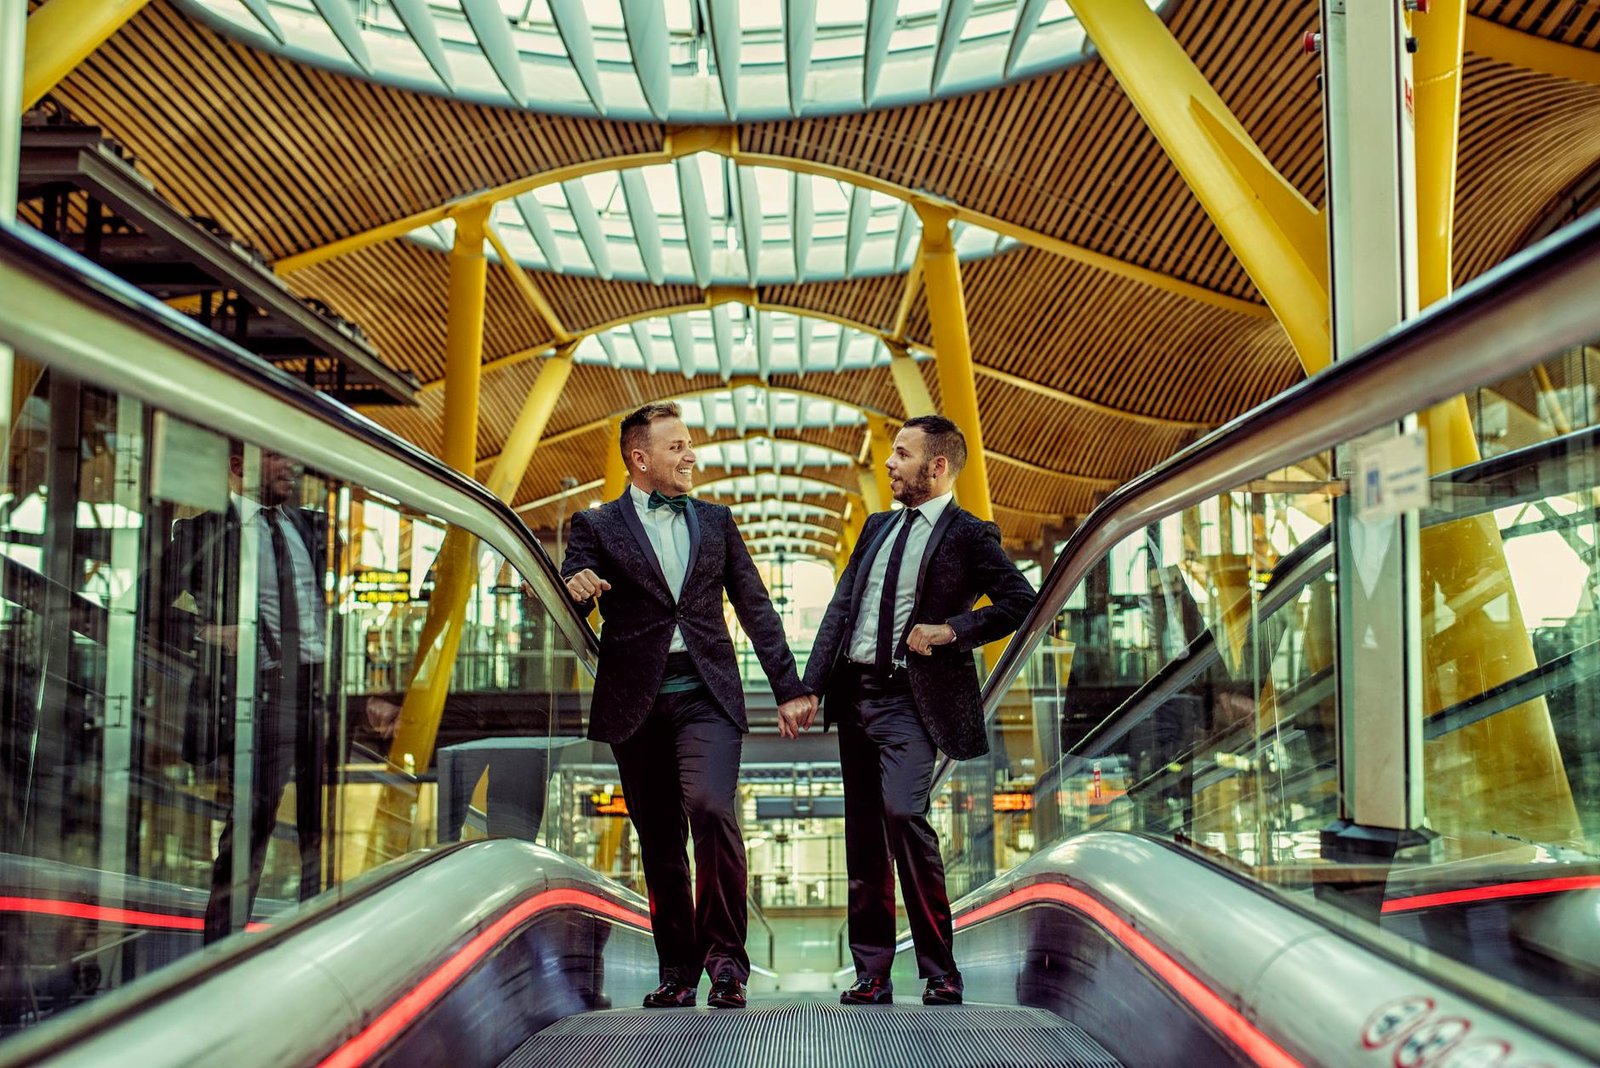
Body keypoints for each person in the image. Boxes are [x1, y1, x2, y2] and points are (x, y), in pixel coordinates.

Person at [562, 402, 816, 1010]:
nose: (690, 456)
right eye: (676, 446)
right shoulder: (595, 525)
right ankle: (677, 971)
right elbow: (573, 588)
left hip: (708, 694)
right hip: (635, 702)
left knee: (711, 808)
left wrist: (789, 687)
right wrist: (576, 586)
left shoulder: (716, 521)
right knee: (659, 838)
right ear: (639, 458)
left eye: (688, 444)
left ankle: (727, 965)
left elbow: (755, 605)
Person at [795, 414, 1035, 1006]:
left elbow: (1020, 602)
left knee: (904, 815)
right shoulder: (876, 527)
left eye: (902, 454)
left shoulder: (969, 535)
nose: (889, 462)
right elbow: (840, 610)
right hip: (855, 696)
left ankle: (940, 970)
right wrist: (810, 688)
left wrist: (952, 630)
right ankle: (872, 973)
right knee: (863, 840)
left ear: (937, 466)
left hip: (910, 699)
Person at [163, 446, 329, 944]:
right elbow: (146, 608)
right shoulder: (203, 534)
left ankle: (317, 939)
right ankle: (220, 950)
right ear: (237, 466)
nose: (291, 466)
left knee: (319, 832)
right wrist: (211, 634)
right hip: (260, 698)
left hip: (318, 693)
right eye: (276, 457)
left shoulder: (312, 527)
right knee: (250, 830)